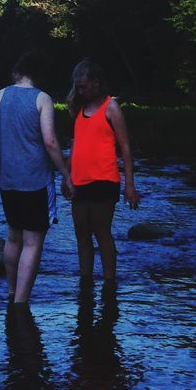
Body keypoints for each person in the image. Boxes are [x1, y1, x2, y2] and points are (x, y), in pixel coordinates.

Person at [0, 53, 73, 306]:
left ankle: (11, 290)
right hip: (36, 180)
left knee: (13, 236)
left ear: (18, 71)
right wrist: (66, 173)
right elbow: (50, 141)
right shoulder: (42, 99)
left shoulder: (1, 95)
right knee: (32, 242)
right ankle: (21, 301)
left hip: (7, 179)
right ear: (39, 75)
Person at [65, 59, 140, 281]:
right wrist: (66, 175)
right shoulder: (79, 108)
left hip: (104, 180)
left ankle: (109, 282)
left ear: (97, 83)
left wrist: (130, 185)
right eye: (78, 87)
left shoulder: (111, 108)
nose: (80, 90)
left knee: (101, 231)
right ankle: (85, 280)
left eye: (84, 86)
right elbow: (76, 142)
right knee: (81, 232)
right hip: (79, 179)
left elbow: (125, 146)